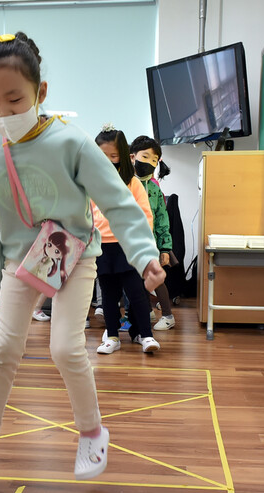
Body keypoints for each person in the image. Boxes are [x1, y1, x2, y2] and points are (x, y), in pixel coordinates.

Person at [0, 32, 164, 480]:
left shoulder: (72, 143)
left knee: (66, 347)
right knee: (2, 349)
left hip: (75, 254)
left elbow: (117, 200)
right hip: (17, 263)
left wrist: (145, 255)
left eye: (14, 99)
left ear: (40, 93)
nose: (3, 113)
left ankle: (92, 434)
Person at [91, 127, 159, 354]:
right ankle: (112, 337)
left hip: (128, 247)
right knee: (108, 298)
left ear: (123, 155)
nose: (109, 161)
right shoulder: (92, 183)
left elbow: (146, 214)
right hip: (101, 248)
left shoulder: (132, 182)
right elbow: (87, 214)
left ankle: (145, 335)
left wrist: (143, 244)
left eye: (114, 156)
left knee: (137, 294)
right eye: (103, 156)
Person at [130, 135, 176, 331]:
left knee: (155, 277)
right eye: (145, 157)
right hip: (128, 241)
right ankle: (146, 311)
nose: (149, 163)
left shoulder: (155, 191)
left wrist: (165, 248)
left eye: (154, 160)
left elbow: (162, 220)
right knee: (134, 279)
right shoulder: (126, 183)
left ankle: (167, 315)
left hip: (151, 242)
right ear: (132, 157)